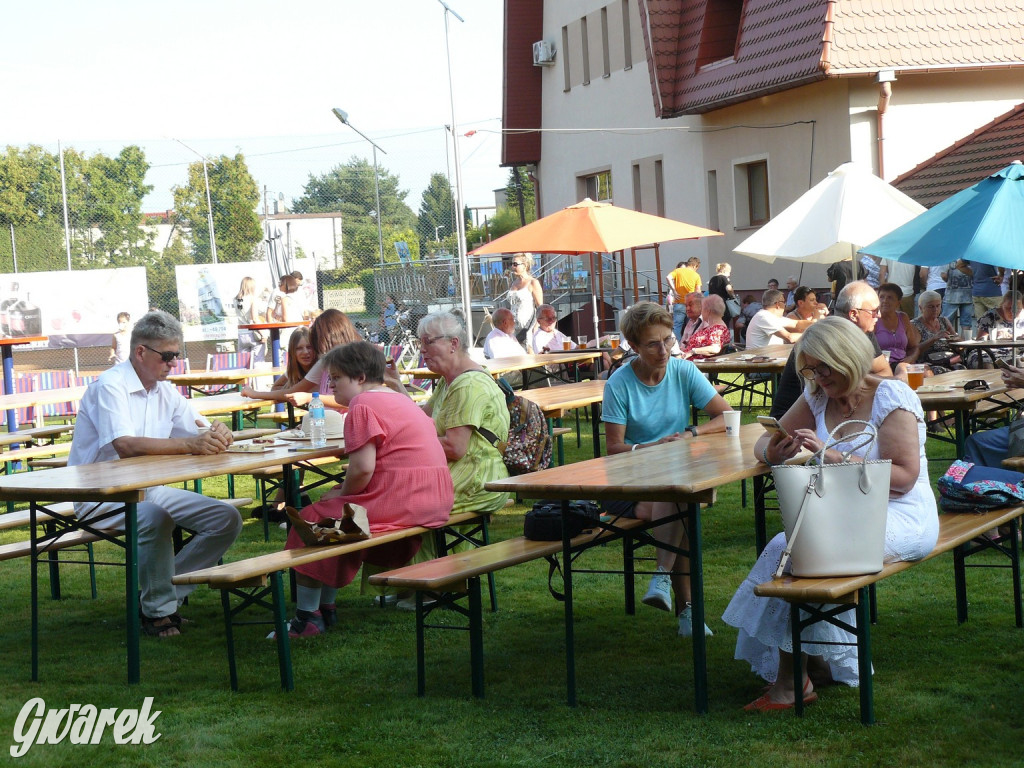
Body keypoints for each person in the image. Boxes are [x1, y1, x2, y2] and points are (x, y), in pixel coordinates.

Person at [725, 316, 938, 709]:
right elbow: (763, 444)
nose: (818, 376)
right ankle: (813, 664)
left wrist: (832, 455)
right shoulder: (818, 395)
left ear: (849, 357)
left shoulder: (891, 396)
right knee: (782, 547)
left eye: (825, 367)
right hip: (845, 510)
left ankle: (793, 683)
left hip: (902, 512)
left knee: (809, 552)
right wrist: (776, 452)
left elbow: (905, 478)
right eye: (810, 368)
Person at [68, 310, 242, 638]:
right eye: (168, 356)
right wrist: (191, 443)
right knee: (154, 516)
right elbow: (125, 445)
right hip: (99, 494)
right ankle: (158, 612)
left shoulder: (164, 390)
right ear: (140, 352)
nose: (173, 363)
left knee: (226, 519)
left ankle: (159, 596)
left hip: (148, 489)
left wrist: (220, 432)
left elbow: (200, 426)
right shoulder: (110, 386)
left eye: (177, 355)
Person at [277, 342, 454, 637]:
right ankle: (327, 608)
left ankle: (307, 617)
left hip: (403, 498)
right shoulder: (400, 399)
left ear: (359, 378)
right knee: (341, 520)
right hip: (434, 498)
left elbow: (361, 469)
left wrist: (341, 492)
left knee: (310, 520)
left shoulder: (363, 404)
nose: (330, 385)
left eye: (336, 378)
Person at [602, 301, 732, 637]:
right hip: (629, 480)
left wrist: (691, 432)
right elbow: (613, 449)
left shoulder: (683, 370)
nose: (664, 350)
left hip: (673, 477)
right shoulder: (618, 383)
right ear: (633, 347)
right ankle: (687, 611)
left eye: (668, 340)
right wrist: (650, 448)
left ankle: (662, 579)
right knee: (680, 507)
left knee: (676, 500)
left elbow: (726, 417)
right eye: (653, 344)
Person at [770, 281, 893, 419]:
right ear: (853, 315)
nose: (879, 316)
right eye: (874, 311)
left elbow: (885, 372)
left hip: (831, 417)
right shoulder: (823, 338)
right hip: (797, 422)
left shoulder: (863, 332)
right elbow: (836, 385)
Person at [241, 308, 360, 411]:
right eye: (299, 348)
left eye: (310, 346)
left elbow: (349, 400)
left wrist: (310, 397)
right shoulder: (324, 361)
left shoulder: (356, 360)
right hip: (325, 421)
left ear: (332, 336)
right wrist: (256, 394)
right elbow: (292, 391)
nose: (307, 352)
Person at [745, 289, 815, 349]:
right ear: (778, 305)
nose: (785, 305)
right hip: (759, 361)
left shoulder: (772, 317)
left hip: (768, 359)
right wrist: (812, 334)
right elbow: (790, 338)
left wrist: (817, 325)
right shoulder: (764, 317)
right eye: (784, 302)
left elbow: (796, 324)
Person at [972, 290, 1024, 368]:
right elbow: (979, 340)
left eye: (1017, 309)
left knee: (1017, 361)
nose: (1012, 312)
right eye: (1008, 308)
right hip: (991, 351)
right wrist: (992, 336)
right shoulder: (990, 316)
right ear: (1001, 305)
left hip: (1016, 352)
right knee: (985, 361)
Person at [911, 290, 960, 371]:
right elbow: (914, 350)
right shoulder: (915, 325)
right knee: (940, 371)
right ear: (920, 308)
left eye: (938, 306)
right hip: (929, 362)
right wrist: (934, 338)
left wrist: (958, 340)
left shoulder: (944, 321)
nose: (935, 309)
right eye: (931, 306)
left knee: (962, 368)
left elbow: (956, 343)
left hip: (948, 358)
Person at [874, 283, 920, 366]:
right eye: (882, 297)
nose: (885, 301)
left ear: (898, 303)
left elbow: (914, 347)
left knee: (927, 371)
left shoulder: (903, 317)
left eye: (890, 298)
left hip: (904, 363)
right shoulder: (873, 320)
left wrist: (911, 358)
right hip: (883, 366)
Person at [508, 253, 544, 342]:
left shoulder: (533, 282)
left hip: (527, 328)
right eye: (512, 264)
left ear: (525, 265)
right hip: (512, 328)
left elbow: (541, 308)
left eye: (515, 264)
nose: (512, 267)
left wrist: (536, 327)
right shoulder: (513, 283)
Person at [681, 294, 730, 359]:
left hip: (696, 365)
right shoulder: (712, 327)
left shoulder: (717, 329)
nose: (701, 312)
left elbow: (715, 348)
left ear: (708, 311)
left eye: (703, 309)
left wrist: (692, 351)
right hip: (689, 362)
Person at [666, 259, 702, 339]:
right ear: (694, 266)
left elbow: (668, 277)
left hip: (679, 303)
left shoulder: (678, 271)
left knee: (677, 326)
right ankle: (689, 344)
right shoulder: (696, 275)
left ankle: (677, 346)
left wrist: (674, 291)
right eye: (697, 268)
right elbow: (698, 291)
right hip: (691, 304)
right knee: (692, 325)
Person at [234, 276, 266, 363]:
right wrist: (263, 334)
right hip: (253, 333)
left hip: (241, 334)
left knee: (243, 363)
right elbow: (254, 318)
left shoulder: (236, 299)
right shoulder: (252, 299)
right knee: (257, 362)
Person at [942, 259, 974, 332]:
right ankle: (965, 341)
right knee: (966, 323)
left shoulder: (949, 257)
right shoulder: (969, 257)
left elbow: (944, 276)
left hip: (951, 295)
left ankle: (947, 341)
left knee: (946, 322)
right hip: (968, 294)